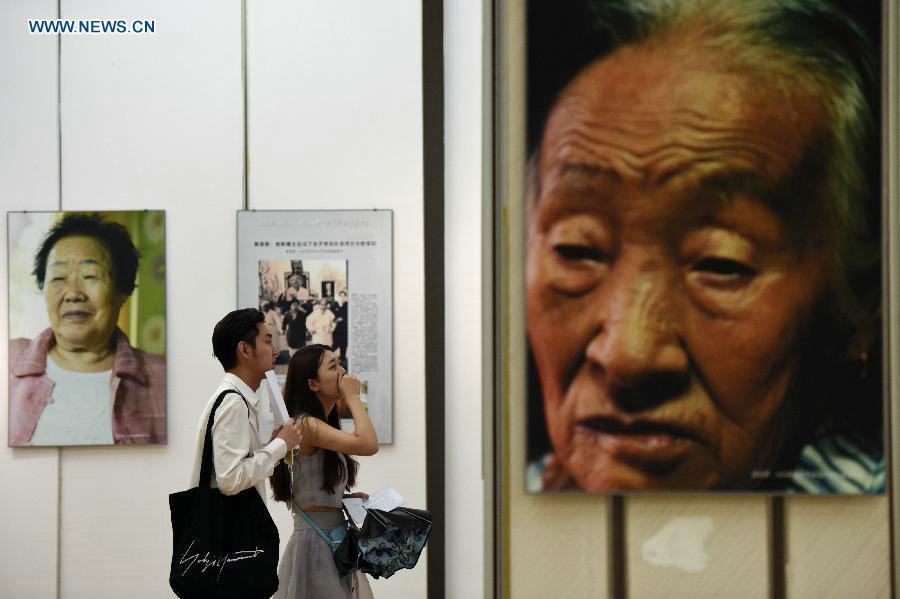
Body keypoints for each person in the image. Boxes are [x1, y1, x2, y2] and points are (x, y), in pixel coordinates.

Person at [525, 0, 882, 493]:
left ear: (862, 302)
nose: (629, 354)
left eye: (721, 262)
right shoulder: (479, 515)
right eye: (577, 251)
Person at [8, 213, 166, 446]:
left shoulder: (162, 378)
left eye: (90, 276)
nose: (73, 293)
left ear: (123, 290)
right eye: (58, 277)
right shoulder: (8, 361)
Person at [269, 344, 377, 599]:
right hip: (317, 544)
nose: (342, 372)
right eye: (333, 366)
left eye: (340, 363)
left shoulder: (319, 423)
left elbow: (311, 488)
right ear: (313, 384)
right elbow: (368, 444)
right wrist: (353, 397)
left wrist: (342, 502)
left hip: (333, 541)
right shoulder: (306, 424)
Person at [190, 308, 303, 505]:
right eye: (268, 341)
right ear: (244, 350)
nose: (275, 350)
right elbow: (230, 480)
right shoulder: (233, 402)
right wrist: (280, 445)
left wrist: (273, 446)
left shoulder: (235, 398)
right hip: (231, 533)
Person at [332, 290, 349, 367]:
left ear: (345, 297)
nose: (342, 297)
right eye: (341, 296)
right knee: (334, 346)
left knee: (343, 347)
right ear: (338, 297)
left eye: (344, 296)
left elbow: (349, 316)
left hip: (344, 329)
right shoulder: (335, 305)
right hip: (336, 330)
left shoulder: (347, 305)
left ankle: (342, 362)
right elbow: (332, 316)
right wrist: (336, 319)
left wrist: (343, 319)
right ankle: (331, 362)